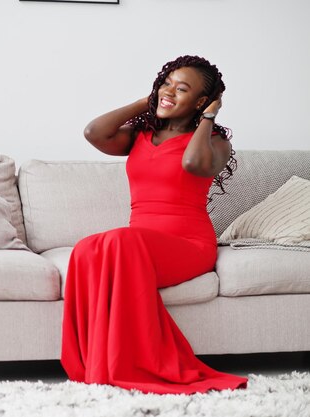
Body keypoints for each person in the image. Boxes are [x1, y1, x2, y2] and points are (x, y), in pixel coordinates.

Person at [60, 55, 248, 394]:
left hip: (188, 245)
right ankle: (96, 362)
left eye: (182, 89)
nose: (170, 92)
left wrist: (207, 118)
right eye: (166, 83)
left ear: (202, 101)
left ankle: (128, 365)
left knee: (119, 241)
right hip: (140, 242)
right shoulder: (140, 135)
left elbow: (193, 163)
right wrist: (152, 98)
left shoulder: (215, 143)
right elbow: (93, 132)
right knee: (86, 248)